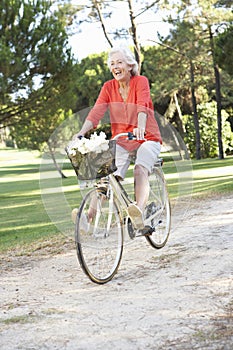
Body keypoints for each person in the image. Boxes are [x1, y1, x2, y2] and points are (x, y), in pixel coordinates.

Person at [72, 45, 162, 230]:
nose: (115, 66)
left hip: (147, 136)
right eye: (112, 63)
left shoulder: (141, 81)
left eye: (119, 62)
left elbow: (142, 105)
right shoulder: (108, 87)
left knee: (140, 169)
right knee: (106, 175)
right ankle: (88, 217)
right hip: (122, 139)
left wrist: (140, 127)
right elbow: (97, 111)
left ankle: (138, 212)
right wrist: (81, 132)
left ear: (130, 66)